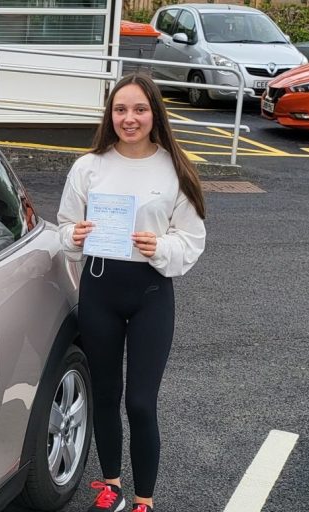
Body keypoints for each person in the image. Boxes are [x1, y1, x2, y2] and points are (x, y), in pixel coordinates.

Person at [57, 73, 206, 512]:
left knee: (140, 402)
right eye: (120, 109)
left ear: (155, 113)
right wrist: (76, 235)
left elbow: (192, 240)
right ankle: (111, 487)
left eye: (139, 109)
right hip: (100, 287)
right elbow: (64, 226)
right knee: (104, 393)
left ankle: (144, 500)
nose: (129, 118)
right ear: (110, 114)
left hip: (150, 293)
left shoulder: (174, 168)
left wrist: (159, 246)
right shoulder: (89, 166)